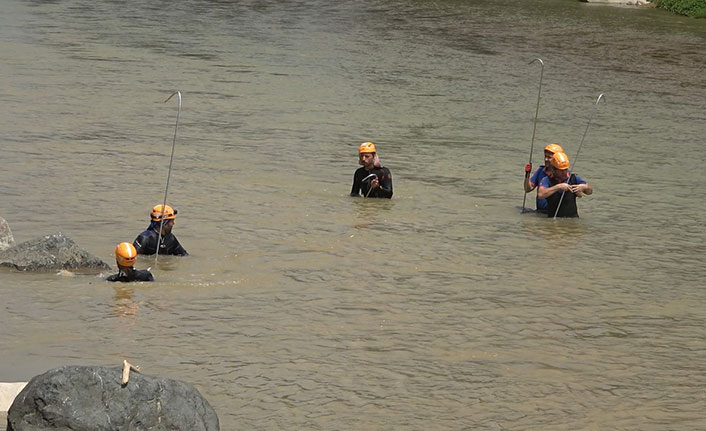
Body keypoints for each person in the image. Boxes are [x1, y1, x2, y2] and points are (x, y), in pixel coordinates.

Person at [537, 152, 593, 218]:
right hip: (554, 220)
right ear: (553, 169)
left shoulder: (573, 178)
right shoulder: (547, 180)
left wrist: (584, 187)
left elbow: (590, 191)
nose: (564, 173)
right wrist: (559, 187)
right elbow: (540, 195)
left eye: (566, 169)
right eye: (561, 170)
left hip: (572, 220)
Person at [524, 143, 564, 213]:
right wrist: (527, 174)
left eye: (549, 157)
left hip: (554, 213)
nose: (546, 159)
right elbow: (528, 189)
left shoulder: (563, 174)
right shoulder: (541, 171)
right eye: (545, 156)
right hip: (540, 212)